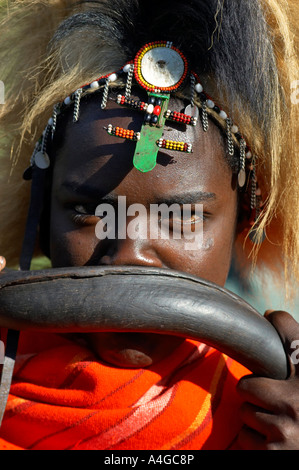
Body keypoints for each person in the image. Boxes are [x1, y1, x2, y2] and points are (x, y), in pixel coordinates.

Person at [0, 0, 299, 450]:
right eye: (91, 212)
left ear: (244, 221)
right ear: (40, 216)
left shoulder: (268, 409)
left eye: (179, 217)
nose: (128, 254)